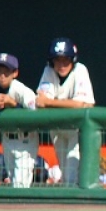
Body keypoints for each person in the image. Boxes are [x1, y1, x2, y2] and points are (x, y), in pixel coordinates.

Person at [35, 38, 94, 186]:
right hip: (58, 128)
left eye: (65, 60)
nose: (61, 65)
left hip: (77, 130)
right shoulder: (48, 71)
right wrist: (65, 103)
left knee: (72, 174)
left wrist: (50, 102)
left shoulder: (80, 70)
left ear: (72, 60)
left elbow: (81, 104)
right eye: (57, 60)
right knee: (66, 173)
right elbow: (40, 102)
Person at [0, 53, 39, 188]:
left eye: (6, 71)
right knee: (13, 180)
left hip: (25, 139)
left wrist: (14, 104)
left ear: (15, 73)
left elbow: (35, 115)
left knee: (20, 184)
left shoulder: (22, 90)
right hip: (7, 138)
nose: (2, 75)